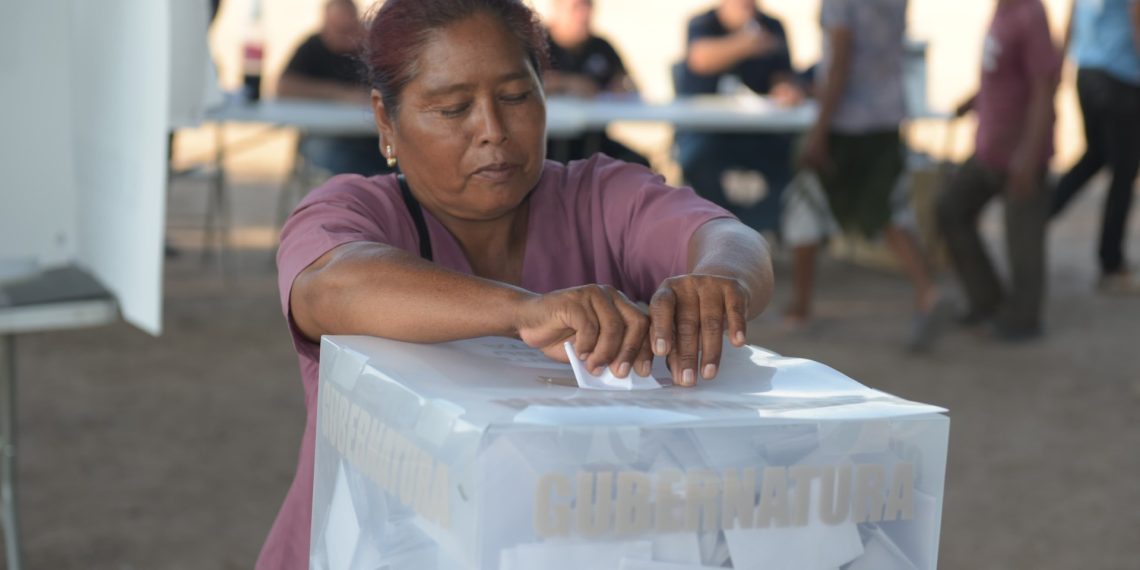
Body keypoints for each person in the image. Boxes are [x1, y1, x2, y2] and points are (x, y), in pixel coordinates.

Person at [256, 0, 775, 567]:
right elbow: (330, 286)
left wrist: (717, 282)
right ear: (387, 120)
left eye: (515, 96)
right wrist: (525, 313)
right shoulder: (354, 210)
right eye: (453, 109)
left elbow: (731, 238)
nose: (493, 132)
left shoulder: (600, 196)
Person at [790, 0, 947, 350]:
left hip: (848, 123)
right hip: (887, 116)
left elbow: (842, 58)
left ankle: (800, 307)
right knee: (890, 211)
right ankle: (927, 290)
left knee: (807, 203)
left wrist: (820, 128)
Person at [938, 0, 1061, 342]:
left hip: (1022, 155)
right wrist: (973, 100)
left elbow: (1043, 88)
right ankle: (987, 300)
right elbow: (1004, 71)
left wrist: (1028, 156)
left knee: (1023, 241)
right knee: (950, 210)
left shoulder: (1030, 14)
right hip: (989, 150)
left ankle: (1023, 320)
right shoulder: (1002, 10)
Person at [676, 0, 805, 233]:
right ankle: (718, 229)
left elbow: (782, 74)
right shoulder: (703, 23)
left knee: (793, 162)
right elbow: (700, 59)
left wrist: (786, 89)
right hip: (708, 132)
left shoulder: (772, 25)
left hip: (758, 131)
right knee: (696, 162)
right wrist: (744, 42)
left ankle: (749, 230)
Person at [1051, 0, 1140, 293]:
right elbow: (1136, 17)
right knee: (1123, 173)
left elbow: (1072, 17)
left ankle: (1040, 211)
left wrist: (1059, 68)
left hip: (1087, 72)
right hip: (1121, 77)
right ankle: (1111, 264)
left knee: (1096, 156)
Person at [278, 0, 391, 176]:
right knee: (339, 157)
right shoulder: (313, 46)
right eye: (335, 30)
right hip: (327, 135)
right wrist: (337, 94)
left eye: (348, 30)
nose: (341, 37)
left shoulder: (375, 47)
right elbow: (284, 87)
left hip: (370, 135)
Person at [543, 0, 649, 166]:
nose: (583, 14)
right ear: (557, 10)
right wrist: (566, 83)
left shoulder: (601, 46)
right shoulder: (536, 42)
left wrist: (620, 87)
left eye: (588, 6)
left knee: (639, 164)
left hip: (595, 140)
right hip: (549, 143)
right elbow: (519, 84)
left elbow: (630, 84)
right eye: (576, 7)